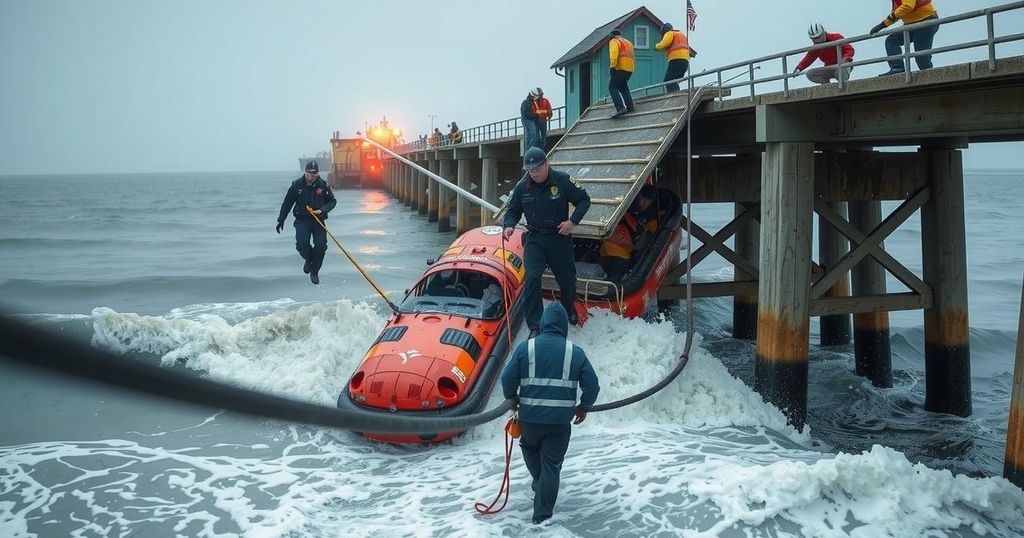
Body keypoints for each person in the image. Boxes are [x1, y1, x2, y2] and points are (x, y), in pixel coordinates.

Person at [501, 302, 600, 525]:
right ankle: (542, 519)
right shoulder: (575, 352)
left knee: (529, 450)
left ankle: (540, 485)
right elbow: (592, 386)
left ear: (544, 323)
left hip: (530, 421)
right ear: (564, 326)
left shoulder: (526, 348)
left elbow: (507, 379)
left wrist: (513, 398)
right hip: (559, 425)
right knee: (551, 467)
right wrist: (584, 407)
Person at [502, 147, 591, 337]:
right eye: (530, 170)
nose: (533, 173)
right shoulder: (522, 187)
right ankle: (536, 326)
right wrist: (508, 225)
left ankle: (568, 308)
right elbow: (513, 211)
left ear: (546, 164)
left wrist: (572, 221)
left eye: (537, 169)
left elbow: (584, 200)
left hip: (559, 237)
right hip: (535, 238)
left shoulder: (563, 180)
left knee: (567, 280)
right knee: (532, 277)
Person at [276, 160, 337, 285]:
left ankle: (315, 271)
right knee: (302, 245)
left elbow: (332, 201)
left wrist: (322, 210)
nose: (313, 175)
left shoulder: (322, 185)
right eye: (310, 173)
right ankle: (309, 259)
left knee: (321, 246)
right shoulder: (296, 185)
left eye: (315, 173)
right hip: (302, 220)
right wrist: (281, 220)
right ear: (305, 172)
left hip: (318, 219)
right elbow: (287, 203)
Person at [599, 185, 660, 282]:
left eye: (646, 201)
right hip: (609, 250)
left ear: (651, 202)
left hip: (623, 255)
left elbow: (645, 241)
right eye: (640, 198)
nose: (641, 203)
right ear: (637, 196)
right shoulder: (625, 206)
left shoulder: (652, 218)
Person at [870, 0, 939, 76]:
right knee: (891, 41)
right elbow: (898, 13)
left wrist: (883, 25)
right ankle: (897, 68)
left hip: (926, 21)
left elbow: (908, 6)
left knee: (921, 58)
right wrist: (882, 25)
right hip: (910, 25)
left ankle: (932, 78)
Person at [655, 22, 697, 93]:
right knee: (675, 79)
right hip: (685, 62)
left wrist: (656, 46)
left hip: (676, 60)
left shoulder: (670, 33)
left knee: (668, 79)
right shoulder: (681, 34)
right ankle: (676, 92)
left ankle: (673, 94)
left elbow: (663, 44)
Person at [608, 29, 635, 118]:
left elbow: (614, 54)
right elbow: (633, 57)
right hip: (629, 69)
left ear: (612, 35)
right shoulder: (628, 42)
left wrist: (612, 67)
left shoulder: (614, 41)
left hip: (619, 68)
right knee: (623, 87)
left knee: (612, 87)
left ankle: (620, 108)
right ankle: (630, 106)